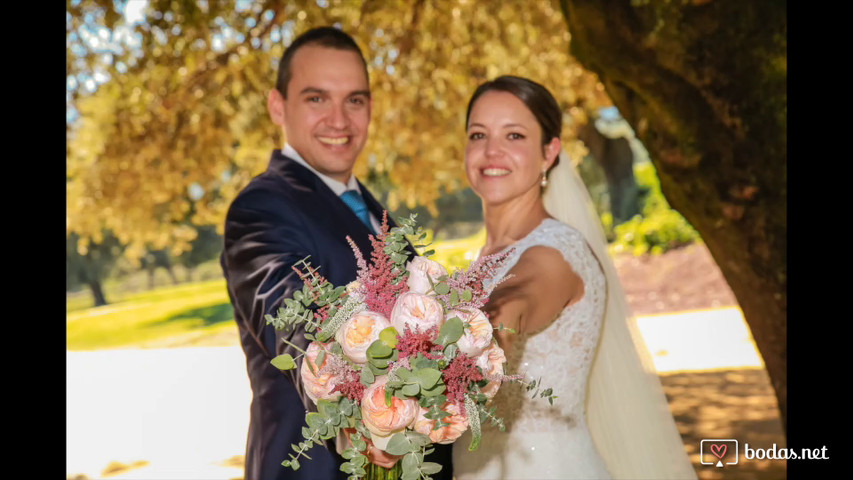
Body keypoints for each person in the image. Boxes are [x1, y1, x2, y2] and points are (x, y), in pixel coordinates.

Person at [220, 27, 453, 480]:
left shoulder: (377, 214)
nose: (339, 120)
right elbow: (288, 316)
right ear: (277, 106)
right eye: (316, 99)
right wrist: (355, 415)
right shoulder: (261, 208)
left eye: (355, 100)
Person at [451, 76, 697, 479]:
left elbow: (511, 306)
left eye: (514, 135)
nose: (491, 151)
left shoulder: (555, 254)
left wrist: (462, 343)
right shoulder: (479, 260)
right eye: (478, 134)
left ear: (549, 153)